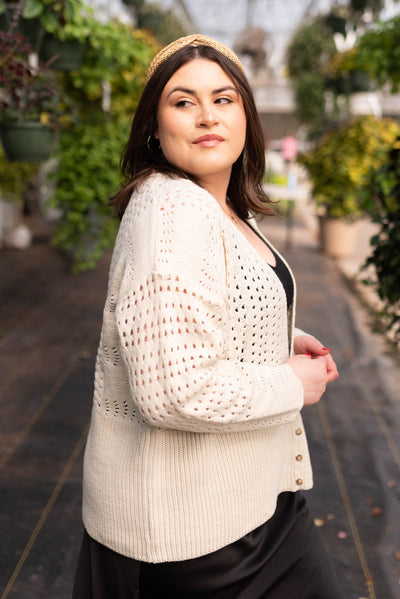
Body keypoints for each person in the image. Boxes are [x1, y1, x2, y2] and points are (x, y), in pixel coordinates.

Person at [72, 34, 343, 598]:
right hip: (195, 538)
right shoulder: (174, 207)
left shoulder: (222, 209)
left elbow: (194, 317)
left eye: (223, 99)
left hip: (252, 507)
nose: (205, 117)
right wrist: (291, 382)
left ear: (247, 115)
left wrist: (280, 336)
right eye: (182, 101)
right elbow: (175, 390)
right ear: (153, 125)